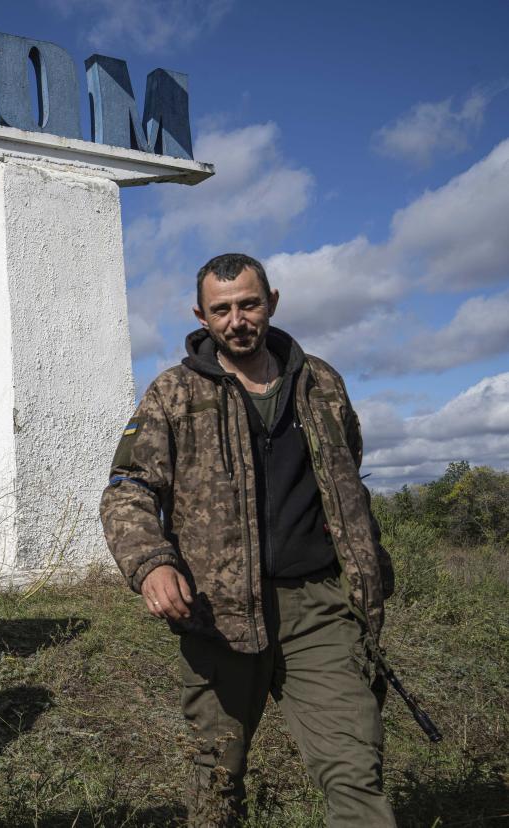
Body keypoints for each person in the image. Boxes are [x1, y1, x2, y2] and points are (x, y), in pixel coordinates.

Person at [100, 253, 397, 827]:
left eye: (248, 304)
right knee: (216, 779)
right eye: (222, 309)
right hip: (218, 614)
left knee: (356, 770)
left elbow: (346, 474)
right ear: (201, 316)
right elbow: (127, 488)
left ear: (272, 303)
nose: (237, 320)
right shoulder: (175, 394)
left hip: (319, 608)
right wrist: (152, 563)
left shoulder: (322, 383)